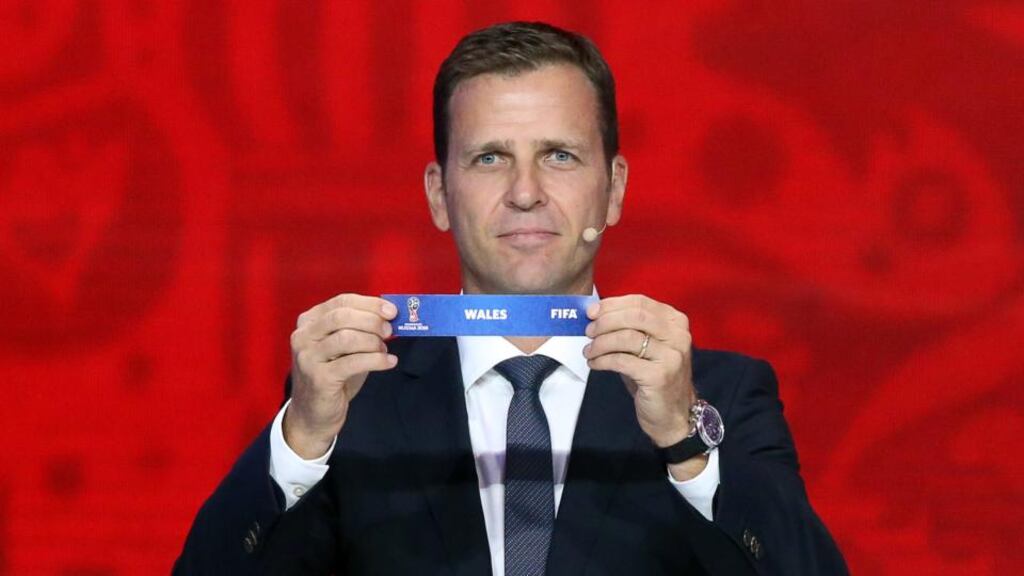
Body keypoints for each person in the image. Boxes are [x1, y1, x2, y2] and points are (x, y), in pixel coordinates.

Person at [175, 21, 848, 575]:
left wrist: (684, 444)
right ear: (439, 194)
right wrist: (298, 443)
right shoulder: (352, 402)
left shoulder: (719, 398)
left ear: (614, 189)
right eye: (490, 157)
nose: (525, 191)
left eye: (559, 155)